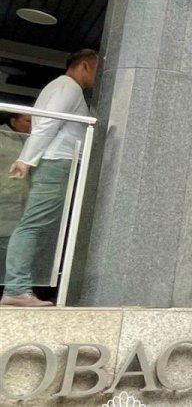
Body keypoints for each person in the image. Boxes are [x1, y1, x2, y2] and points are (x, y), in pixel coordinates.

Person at [2, 49, 98, 307]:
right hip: (56, 164)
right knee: (34, 225)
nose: (96, 78)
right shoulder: (69, 87)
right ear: (86, 66)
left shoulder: (58, 86)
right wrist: (26, 159)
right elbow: (47, 124)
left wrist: (28, 158)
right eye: (96, 70)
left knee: (41, 228)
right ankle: (16, 288)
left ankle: (22, 288)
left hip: (52, 163)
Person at [0, 109, 31, 286]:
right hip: (5, 200)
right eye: (27, 121)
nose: (31, 126)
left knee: (10, 248)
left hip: (20, 204)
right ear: (13, 121)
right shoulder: (2, 138)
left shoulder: (31, 143)